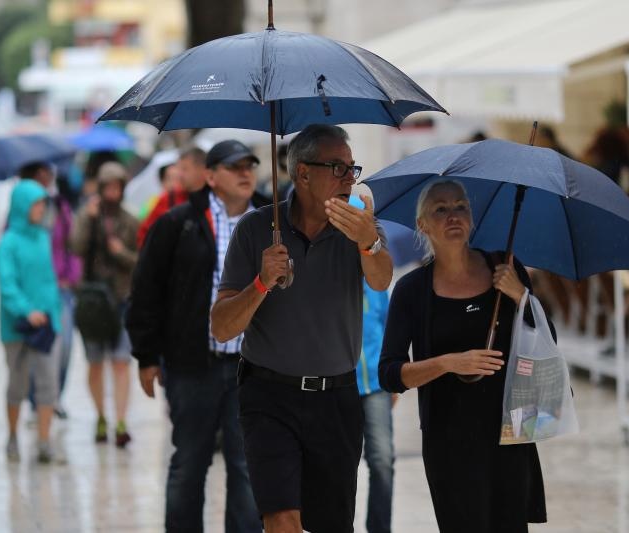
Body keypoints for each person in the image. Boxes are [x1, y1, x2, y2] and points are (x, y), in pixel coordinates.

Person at [211, 124, 393, 533]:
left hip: (337, 398)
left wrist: (370, 242)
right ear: (303, 173)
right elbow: (222, 328)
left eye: (352, 168)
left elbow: (381, 280)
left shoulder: (359, 228)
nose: (350, 178)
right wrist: (260, 282)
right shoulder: (256, 229)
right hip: (269, 396)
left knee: (331, 523)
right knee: (282, 519)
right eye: (338, 168)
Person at [378, 180, 547, 532]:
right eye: (440, 209)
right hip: (448, 440)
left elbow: (547, 344)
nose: (453, 215)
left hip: (510, 431)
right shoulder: (412, 290)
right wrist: (448, 363)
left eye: (460, 207)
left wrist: (521, 297)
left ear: (472, 217)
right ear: (422, 224)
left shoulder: (506, 269)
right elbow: (390, 373)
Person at [127, 140, 267, 533]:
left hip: (252, 368)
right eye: (234, 166)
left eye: (250, 166)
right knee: (189, 462)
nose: (245, 173)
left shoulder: (270, 221)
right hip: (192, 365)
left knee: (247, 466)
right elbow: (147, 290)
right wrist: (147, 356)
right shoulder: (178, 223)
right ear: (210, 176)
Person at [71, 161, 139, 447]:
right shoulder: (87, 216)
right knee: (95, 363)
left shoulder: (130, 221)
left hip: (122, 299)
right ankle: (101, 416)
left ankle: (121, 420)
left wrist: (120, 252)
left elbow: (139, 262)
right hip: (93, 301)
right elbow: (75, 247)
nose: (112, 193)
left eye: (117, 187)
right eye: (107, 187)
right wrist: (88, 219)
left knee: (121, 362)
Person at [0, 180, 61, 463]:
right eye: (35, 204)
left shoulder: (42, 237)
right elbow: (7, 285)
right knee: (17, 384)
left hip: (45, 324)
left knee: (48, 382)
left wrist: (52, 313)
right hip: (16, 326)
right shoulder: (7, 243)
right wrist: (26, 311)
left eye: (42, 204)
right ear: (22, 206)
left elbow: (48, 280)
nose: (40, 209)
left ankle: (45, 442)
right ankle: (12, 436)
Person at [21, 162, 82, 419]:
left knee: (65, 347)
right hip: (34, 291)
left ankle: (54, 396)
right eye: (39, 176)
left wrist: (72, 275)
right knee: (39, 348)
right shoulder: (21, 210)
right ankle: (38, 400)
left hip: (61, 289)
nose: (45, 180)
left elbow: (73, 244)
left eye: (47, 175)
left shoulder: (60, 207)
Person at [356, 281, 394, 533]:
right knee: (334, 466)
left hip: (376, 387)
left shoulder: (376, 283)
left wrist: (391, 380)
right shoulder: (327, 276)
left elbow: (390, 331)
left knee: (382, 461)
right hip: (335, 387)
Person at [136, 148, 207, 248]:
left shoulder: (215, 201)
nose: (179, 175)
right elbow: (144, 234)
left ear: (202, 170)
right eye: (179, 169)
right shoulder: (169, 198)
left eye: (185, 169)